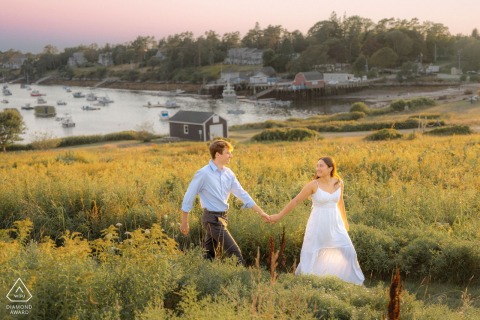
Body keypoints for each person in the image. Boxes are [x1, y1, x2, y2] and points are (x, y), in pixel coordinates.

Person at [269, 156, 364, 285]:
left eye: (321, 166)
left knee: (348, 249)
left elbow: (340, 203)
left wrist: (345, 222)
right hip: (318, 223)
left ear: (330, 168)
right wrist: (278, 216)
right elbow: (295, 201)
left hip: (336, 223)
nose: (318, 168)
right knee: (312, 251)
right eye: (317, 165)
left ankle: (352, 281)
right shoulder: (313, 185)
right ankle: (308, 281)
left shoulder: (338, 182)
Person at [180, 139, 270, 265]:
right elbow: (188, 197)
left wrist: (261, 212)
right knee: (235, 252)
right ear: (218, 154)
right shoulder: (203, 174)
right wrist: (184, 222)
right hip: (212, 219)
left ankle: (203, 276)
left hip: (223, 217)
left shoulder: (229, 173)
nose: (230, 156)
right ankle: (245, 279)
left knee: (209, 255)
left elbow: (242, 194)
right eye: (227, 153)